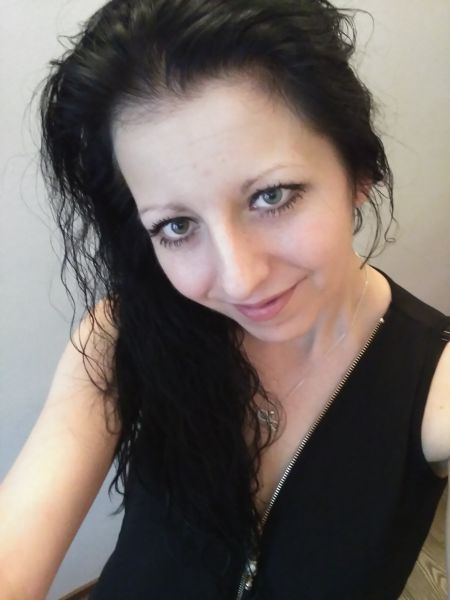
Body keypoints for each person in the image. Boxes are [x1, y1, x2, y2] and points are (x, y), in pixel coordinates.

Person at [1, 0, 448, 599]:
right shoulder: (123, 337)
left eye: (272, 196)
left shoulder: (435, 386)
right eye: (176, 226)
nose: (239, 281)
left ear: (358, 171)